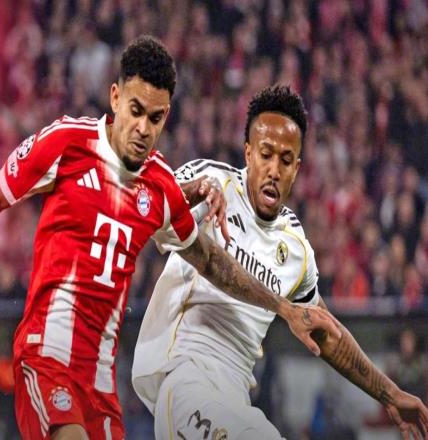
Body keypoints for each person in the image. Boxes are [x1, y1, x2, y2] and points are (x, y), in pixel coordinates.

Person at [0, 38, 340, 440]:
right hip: (46, 357)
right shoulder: (67, 143)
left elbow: (211, 261)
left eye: (156, 117)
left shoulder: (160, 185)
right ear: (115, 97)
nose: (144, 128)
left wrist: (282, 307)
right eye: (136, 111)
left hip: (100, 382)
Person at [132, 86, 428, 440]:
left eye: (286, 160)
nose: (274, 169)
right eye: (266, 155)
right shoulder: (213, 183)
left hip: (235, 397)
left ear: (297, 168)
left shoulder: (296, 248)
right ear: (248, 153)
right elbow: (146, 206)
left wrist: (390, 394)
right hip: (184, 375)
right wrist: (192, 189)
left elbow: (324, 333)